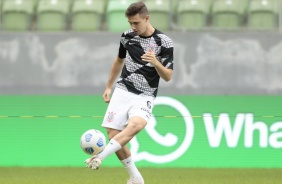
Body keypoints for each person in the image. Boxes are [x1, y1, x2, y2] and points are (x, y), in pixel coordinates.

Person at [85, 1, 174, 184]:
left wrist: (156, 62)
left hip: (145, 94)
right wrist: (108, 86)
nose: (133, 27)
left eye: (136, 23)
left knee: (135, 125)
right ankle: (136, 178)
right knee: (112, 135)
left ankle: (99, 157)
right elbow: (119, 61)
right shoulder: (127, 37)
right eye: (130, 23)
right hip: (123, 89)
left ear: (146, 18)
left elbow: (168, 76)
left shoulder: (164, 42)